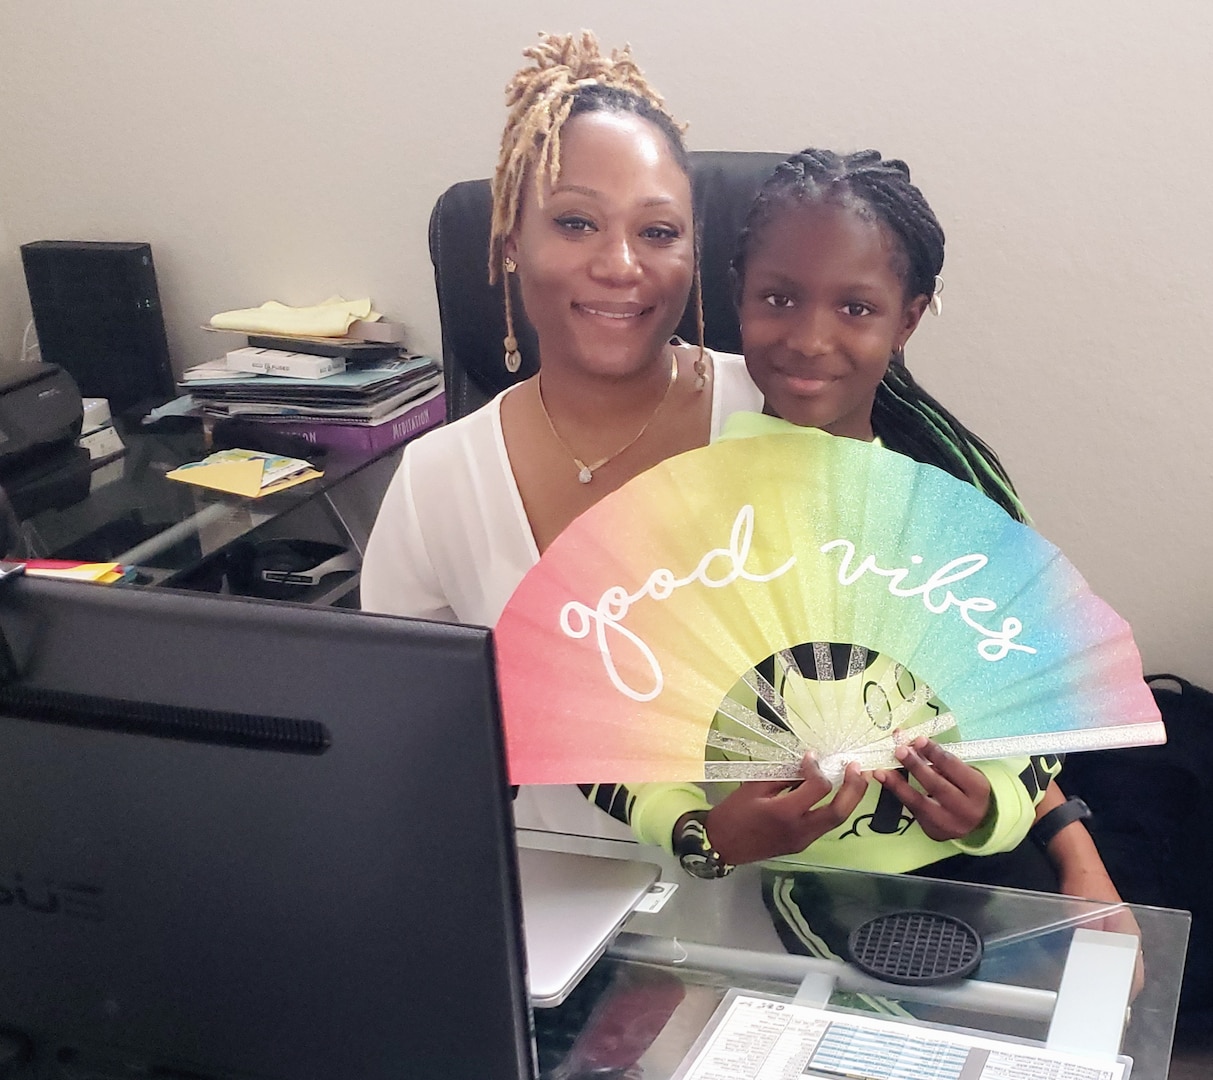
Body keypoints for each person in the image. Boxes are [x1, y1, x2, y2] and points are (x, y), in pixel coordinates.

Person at [589, 149, 1129, 921]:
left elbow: (1036, 708)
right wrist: (695, 830)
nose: (810, 339)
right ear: (737, 295)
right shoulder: (676, 512)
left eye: (855, 308)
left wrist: (993, 810)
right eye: (778, 298)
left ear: (907, 317)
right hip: (734, 908)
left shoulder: (956, 510)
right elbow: (601, 724)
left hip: (951, 902)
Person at [360, 31, 762, 833]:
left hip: (781, 915)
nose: (620, 265)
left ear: (693, 253)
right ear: (512, 243)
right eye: (576, 223)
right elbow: (410, 750)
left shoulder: (775, 417)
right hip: (546, 916)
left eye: (657, 232)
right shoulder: (440, 479)